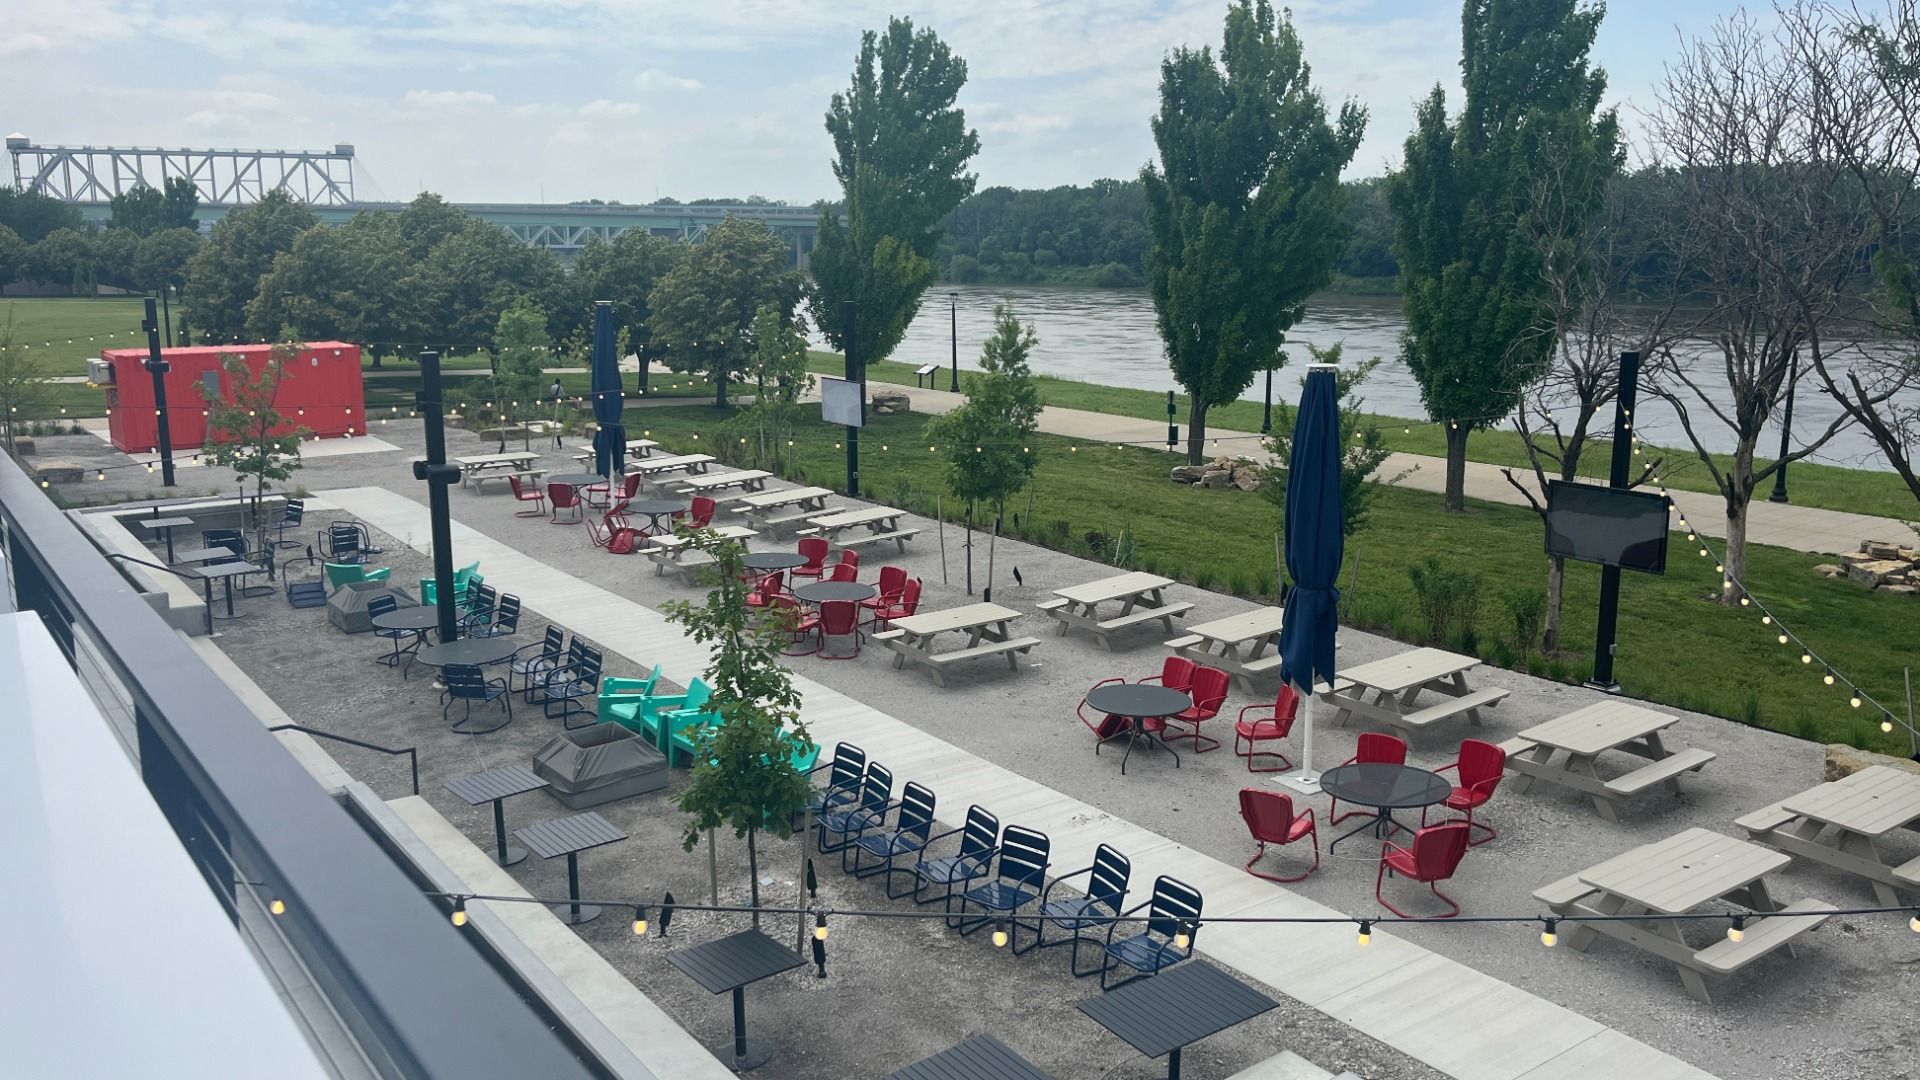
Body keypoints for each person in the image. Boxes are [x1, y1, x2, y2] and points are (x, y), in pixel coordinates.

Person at [547, 378, 565, 447]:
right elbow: (563, 394)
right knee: (559, 410)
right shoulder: (560, 387)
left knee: (554, 410)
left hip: (554, 399)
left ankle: (553, 417)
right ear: (559, 382)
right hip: (559, 399)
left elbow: (551, 393)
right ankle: (559, 418)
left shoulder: (552, 387)